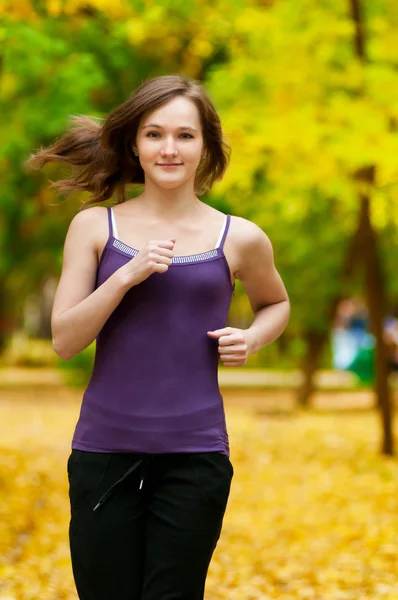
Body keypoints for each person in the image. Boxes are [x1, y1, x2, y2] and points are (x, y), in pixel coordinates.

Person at [27, 75, 290, 600]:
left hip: (196, 456)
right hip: (104, 452)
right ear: (134, 144)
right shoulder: (94, 228)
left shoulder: (239, 236)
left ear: (206, 147)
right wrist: (125, 276)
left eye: (185, 136)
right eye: (154, 134)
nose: (169, 148)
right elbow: (64, 340)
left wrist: (253, 337)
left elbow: (275, 304)